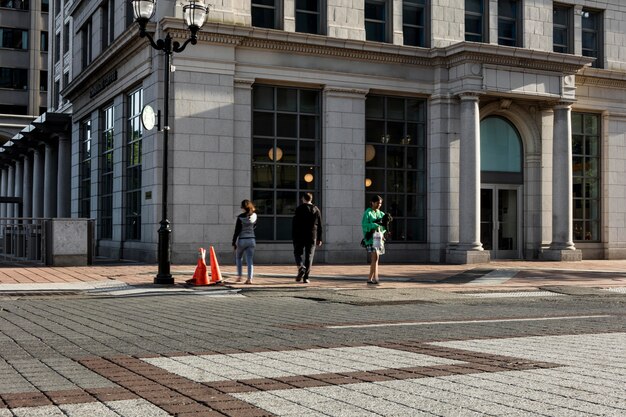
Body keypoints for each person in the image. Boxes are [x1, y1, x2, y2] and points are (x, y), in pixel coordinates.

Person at [292, 192, 323, 283]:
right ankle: (306, 277)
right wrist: (320, 238)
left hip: (299, 235)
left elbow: (295, 223)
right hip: (312, 235)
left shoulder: (299, 209)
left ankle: (301, 266)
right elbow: (320, 225)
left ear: (303, 199)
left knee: (297, 253)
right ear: (311, 199)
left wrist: (294, 235)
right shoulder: (316, 209)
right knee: (309, 256)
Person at [361, 195, 387, 285]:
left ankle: (370, 278)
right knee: (375, 257)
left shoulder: (381, 213)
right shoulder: (367, 213)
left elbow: (384, 226)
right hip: (371, 239)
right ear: (372, 202)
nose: (379, 205)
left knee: (376, 258)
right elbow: (364, 225)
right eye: (377, 203)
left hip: (379, 238)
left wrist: (382, 231)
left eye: (380, 203)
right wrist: (375, 225)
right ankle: (376, 278)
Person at [232, 200, 257, 284]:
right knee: (249, 259)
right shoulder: (255, 216)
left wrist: (233, 242)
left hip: (242, 240)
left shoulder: (240, 217)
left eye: (241, 207)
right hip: (252, 239)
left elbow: (236, 231)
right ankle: (249, 279)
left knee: (238, 258)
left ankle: (239, 277)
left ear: (243, 208)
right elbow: (255, 226)